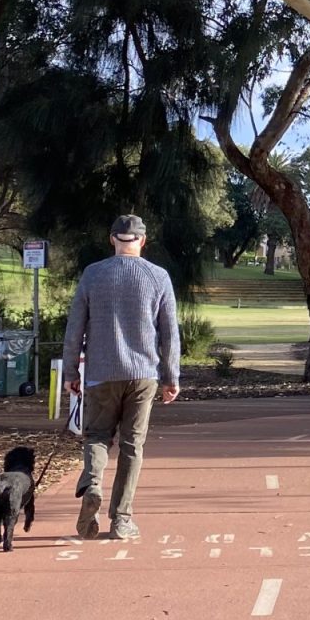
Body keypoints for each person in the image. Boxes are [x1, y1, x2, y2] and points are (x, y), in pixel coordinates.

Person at [63, 214, 179, 541]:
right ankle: (122, 519)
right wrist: (171, 377)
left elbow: (75, 328)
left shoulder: (93, 274)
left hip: (101, 373)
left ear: (112, 239)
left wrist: (71, 372)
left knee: (97, 436)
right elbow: (170, 333)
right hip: (143, 375)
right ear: (142, 241)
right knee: (132, 445)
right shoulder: (158, 276)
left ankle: (92, 484)